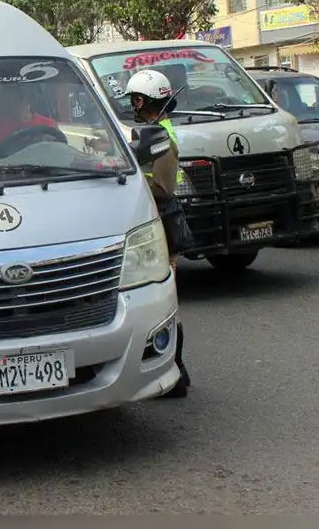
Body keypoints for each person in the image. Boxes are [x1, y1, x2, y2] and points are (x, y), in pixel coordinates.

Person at [123, 68, 191, 398]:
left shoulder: (161, 137)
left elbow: (163, 188)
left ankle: (177, 373)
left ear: (148, 101)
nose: (133, 105)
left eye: (136, 99)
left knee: (164, 301)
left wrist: (129, 179)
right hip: (157, 220)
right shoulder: (155, 130)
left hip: (162, 220)